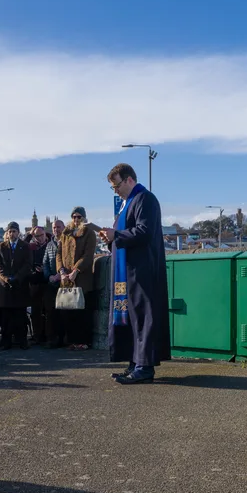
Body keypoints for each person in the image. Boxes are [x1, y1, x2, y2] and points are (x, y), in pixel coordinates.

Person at [99, 163, 172, 384]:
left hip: (142, 271)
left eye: (117, 186)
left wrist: (116, 235)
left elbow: (144, 231)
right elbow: (124, 234)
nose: (116, 191)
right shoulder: (127, 203)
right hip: (127, 273)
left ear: (129, 179)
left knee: (143, 318)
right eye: (112, 188)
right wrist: (110, 237)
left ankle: (145, 367)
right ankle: (134, 363)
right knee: (131, 318)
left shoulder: (145, 199)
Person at [57, 207, 99, 351]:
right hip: (67, 277)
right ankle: (72, 340)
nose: (76, 219)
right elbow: (59, 253)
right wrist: (61, 270)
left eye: (79, 217)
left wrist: (76, 270)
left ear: (84, 218)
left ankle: (83, 341)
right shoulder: (66, 232)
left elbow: (88, 255)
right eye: (74, 217)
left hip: (82, 278)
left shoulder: (89, 233)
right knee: (69, 311)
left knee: (82, 311)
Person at [0, 221, 32, 350]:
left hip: (20, 285)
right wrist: (5, 278)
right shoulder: (1, 246)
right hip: (5, 286)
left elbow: (28, 264)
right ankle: (6, 341)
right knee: (6, 317)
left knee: (20, 315)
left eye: (14, 231)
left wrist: (17, 277)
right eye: (9, 231)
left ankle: (22, 341)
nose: (12, 234)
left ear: (18, 232)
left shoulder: (25, 246)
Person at [42, 218, 66, 348]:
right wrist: (50, 276)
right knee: (50, 313)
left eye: (58, 227)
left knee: (64, 313)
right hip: (51, 284)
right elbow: (45, 262)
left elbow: (69, 261)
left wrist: (60, 275)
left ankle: (63, 339)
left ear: (63, 228)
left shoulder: (68, 241)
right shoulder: (49, 245)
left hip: (64, 283)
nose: (56, 229)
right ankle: (52, 339)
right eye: (54, 228)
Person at [26, 226, 49, 344]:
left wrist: (45, 269)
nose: (39, 238)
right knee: (35, 311)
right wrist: (29, 235)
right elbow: (21, 246)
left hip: (47, 281)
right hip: (34, 282)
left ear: (45, 234)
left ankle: (47, 335)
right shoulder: (31, 247)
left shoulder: (50, 245)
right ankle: (37, 335)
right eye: (36, 236)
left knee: (47, 310)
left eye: (41, 235)